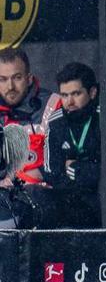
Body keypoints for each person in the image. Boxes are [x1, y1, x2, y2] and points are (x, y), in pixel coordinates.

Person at [0, 48, 60, 228]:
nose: (10, 87)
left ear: (29, 78)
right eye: (2, 79)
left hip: (44, 200)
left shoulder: (53, 104)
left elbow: (65, 162)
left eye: (17, 78)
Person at [43, 62, 101, 228]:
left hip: (104, 199)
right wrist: (86, 174)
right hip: (69, 202)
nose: (69, 101)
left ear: (92, 92)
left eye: (76, 93)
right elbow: (51, 173)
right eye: (64, 95)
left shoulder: (104, 117)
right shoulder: (55, 122)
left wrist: (75, 168)